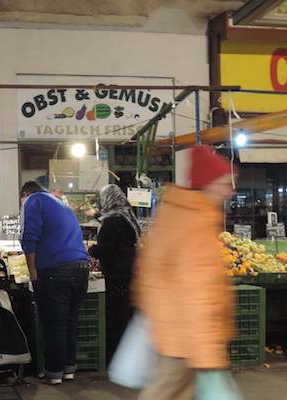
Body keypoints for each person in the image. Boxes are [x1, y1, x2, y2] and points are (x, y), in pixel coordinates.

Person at [135, 146, 238, 400]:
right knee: (164, 392)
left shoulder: (177, 214)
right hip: (187, 338)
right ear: (208, 184)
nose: (230, 190)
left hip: (174, 332)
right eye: (225, 183)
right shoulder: (195, 225)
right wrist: (208, 352)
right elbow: (198, 293)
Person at [20, 181, 89, 385]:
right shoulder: (61, 204)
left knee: (55, 323)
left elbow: (29, 237)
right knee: (70, 321)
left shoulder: (33, 201)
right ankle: (69, 369)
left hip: (56, 270)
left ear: (25, 193)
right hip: (81, 269)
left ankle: (54, 372)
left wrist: (32, 271)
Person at [88, 184, 140, 359]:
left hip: (117, 275)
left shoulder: (111, 222)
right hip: (129, 272)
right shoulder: (127, 217)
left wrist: (91, 250)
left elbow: (106, 249)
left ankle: (117, 355)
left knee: (116, 316)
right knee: (126, 315)